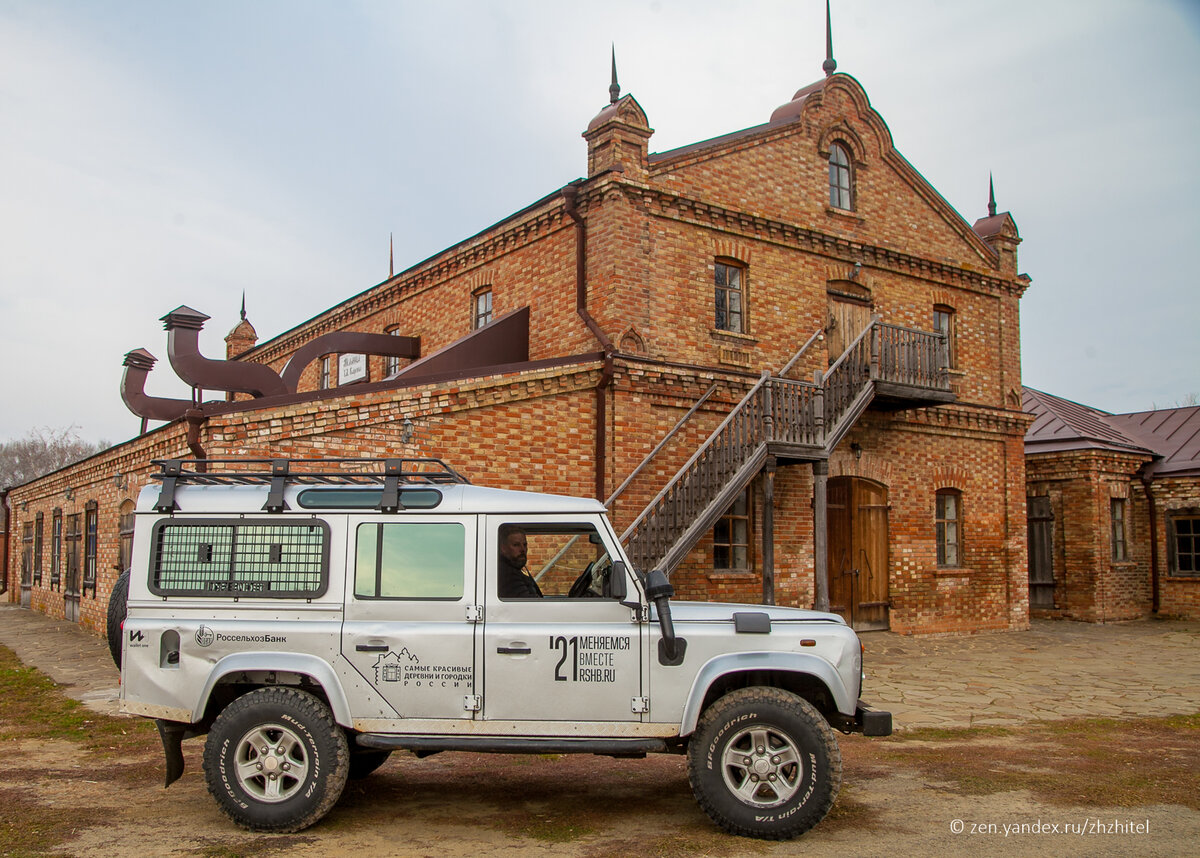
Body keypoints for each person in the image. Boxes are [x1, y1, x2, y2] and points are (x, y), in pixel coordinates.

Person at [497, 524, 542, 598]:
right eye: (516, 545)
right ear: (503, 548)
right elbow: (526, 602)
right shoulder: (506, 573)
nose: (522, 549)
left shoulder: (517, 568)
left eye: (524, 545)